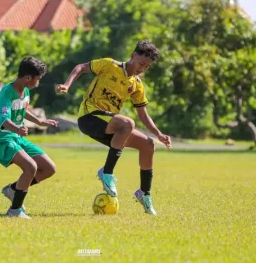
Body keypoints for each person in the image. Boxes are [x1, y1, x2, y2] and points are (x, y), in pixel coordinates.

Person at [56, 40, 172, 216]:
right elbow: (80, 67)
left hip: (111, 125)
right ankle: (107, 172)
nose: (142, 68)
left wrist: (159, 134)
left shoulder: (136, 84)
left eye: (147, 67)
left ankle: (144, 194)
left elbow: (143, 114)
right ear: (133, 55)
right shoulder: (109, 65)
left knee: (148, 145)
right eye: (141, 63)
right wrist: (67, 85)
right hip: (90, 117)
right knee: (127, 123)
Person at [0, 56, 58, 219]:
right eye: (38, 79)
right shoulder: (6, 93)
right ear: (28, 78)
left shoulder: (25, 91)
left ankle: (13, 190)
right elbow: (4, 120)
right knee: (30, 167)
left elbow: (22, 110)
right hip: (2, 137)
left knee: (49, 168)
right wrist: (17, 129)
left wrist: (39, 121)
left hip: (16, 136)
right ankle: (14, 211)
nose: (38, 82)